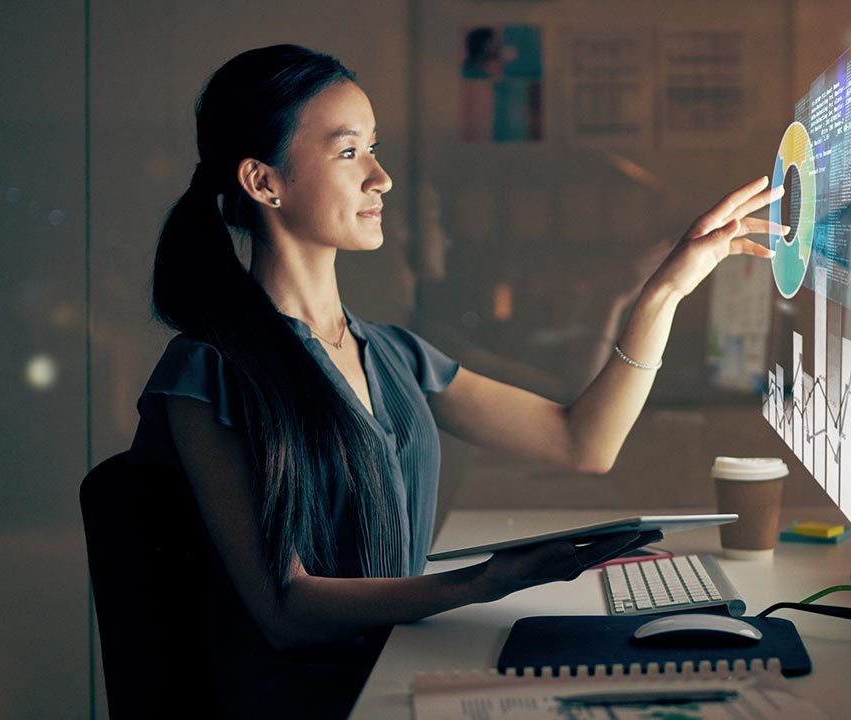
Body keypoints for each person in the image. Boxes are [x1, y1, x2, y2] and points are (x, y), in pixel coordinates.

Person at [129, 44, 783, 716]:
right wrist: (484, 581)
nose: (381, 178)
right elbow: (285, 609)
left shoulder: (391, 354)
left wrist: (665, 291)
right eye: (349, 152)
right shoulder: (207, 372)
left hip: (406, 664)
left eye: (374, 149)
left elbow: (583, 442)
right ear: (264, 183)